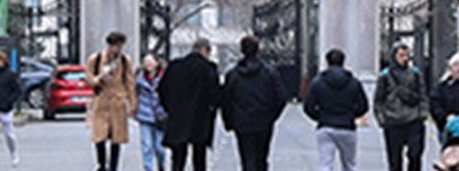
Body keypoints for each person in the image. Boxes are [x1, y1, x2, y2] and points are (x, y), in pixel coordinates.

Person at [221, 36, 289, 171]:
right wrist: (272, 116)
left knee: (247, 158)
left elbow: (226, 100)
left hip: (242, 121)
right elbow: (281, 97)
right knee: (261, 158)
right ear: (258, 50)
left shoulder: (233, 75)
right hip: (263, 120)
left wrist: (229, 121)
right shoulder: (270, 73)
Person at [158, 38, 219, 171]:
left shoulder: (175, 66)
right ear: (205, 50)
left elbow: (162, 89)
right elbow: (214, 95)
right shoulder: (207, 68)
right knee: (199, 158)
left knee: (178, 158)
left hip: (177, 118)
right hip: (200, 119)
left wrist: (170, 108)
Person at [304, 48, 369, 171]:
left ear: (327, 62)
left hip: (326, 126)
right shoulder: (354, 82)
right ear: (343, 62)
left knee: (326, 165)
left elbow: (308, 106)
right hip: (347, 127)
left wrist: (320, 116)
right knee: (350, 165)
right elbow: (363, 106)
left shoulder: (318, 82)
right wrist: (351, 115)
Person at [85, 32, 137, 171]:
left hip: (117, 103)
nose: (118, 50)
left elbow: (130, 83)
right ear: (109, 45)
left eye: (121, 46)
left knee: (117, 138)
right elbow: (88, 79)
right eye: (116, 46)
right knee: (99, 136)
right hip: (101, 102)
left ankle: (114, 167)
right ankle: (101, 164)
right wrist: (99, 79)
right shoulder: (95, 60)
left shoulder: (125, 61)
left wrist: (133, 104)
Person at [374, 43, 429, 171]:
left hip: (413, 119)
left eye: (407, 55)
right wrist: (382, 119)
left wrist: (422, 114)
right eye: (401, 55)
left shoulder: (415, 74)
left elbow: (422, 95)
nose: (404, 58)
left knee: (415, 154)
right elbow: (379, 100)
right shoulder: (385, 76)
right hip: (393, 121)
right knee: (394, 160)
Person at [135, 55, 167, 171]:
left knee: (160, 148)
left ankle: (161, 166)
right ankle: (148, 168)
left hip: (160, 117)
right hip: (144, 115)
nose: (148, 64)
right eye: (145, 62)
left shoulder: (164, 78)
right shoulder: (139, 79)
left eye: (150, 62)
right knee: (147, 146)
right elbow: (134, 95)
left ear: (156, 63)